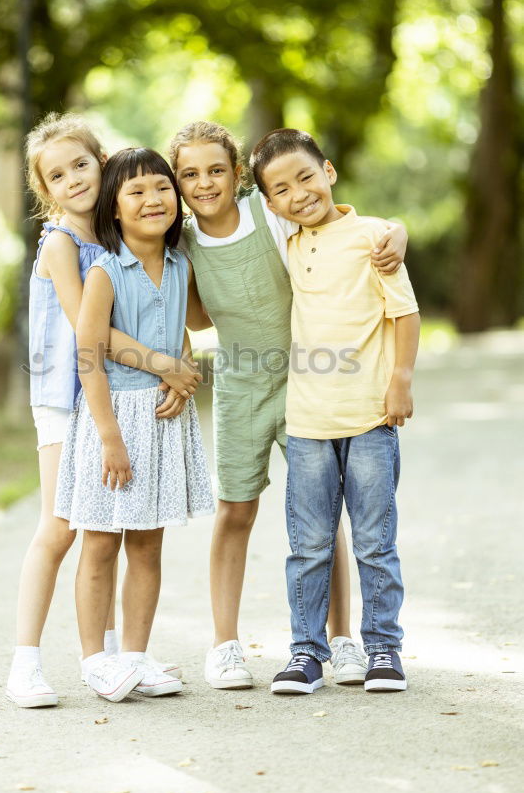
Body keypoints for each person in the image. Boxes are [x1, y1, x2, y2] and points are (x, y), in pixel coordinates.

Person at [170, 121, 409, 690]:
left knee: (324, 518)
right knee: (235, 510)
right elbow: (196, 316)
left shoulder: (269, 212)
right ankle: (225, 645)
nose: (205, 183)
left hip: (309, 382)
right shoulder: (182, 241)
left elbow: (336, 222)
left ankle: (343, 638)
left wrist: (397, 230)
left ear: (239, 177)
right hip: (239, 387)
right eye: (190, 174)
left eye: (217, 170)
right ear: (177, 183)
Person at [6, 115, 200, 709]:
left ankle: (118, 659)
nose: (72, 180)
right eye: (56, 175)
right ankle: (26, 663)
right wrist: (168, 364)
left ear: (102, 163)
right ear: (46, 191)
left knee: (123, 524)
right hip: (65, 399)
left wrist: (174, 367)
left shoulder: (122, 241)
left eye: (81, 165)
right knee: (64, 528)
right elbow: (93, 334)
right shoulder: (63, 243)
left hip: (114, 395)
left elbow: (164, 313)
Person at [251, 128, 419, 695]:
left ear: (330, 171)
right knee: (309, 546)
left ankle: (383, 650)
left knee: (374, 541)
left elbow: (405, 313)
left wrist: (400, 382)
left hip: (372, 417)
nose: (298, 193)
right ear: (271, 205)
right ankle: (305, 654)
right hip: (307, 424)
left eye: (305, 175)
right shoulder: (290, 243)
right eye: (281, 189)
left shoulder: (374, 237)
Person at [54, 147, 214, 703]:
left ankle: (136, 656)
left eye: (163, 188)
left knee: (148, 545)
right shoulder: (105, 270)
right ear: (115, 209)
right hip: (114, 421)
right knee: (100, 542)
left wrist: (178, 375)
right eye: (136, 191)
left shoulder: (180, 266)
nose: (153, 199)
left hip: (163, 420)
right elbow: (90, 353)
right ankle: (94, 661)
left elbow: (179, 333)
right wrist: (110, 437)